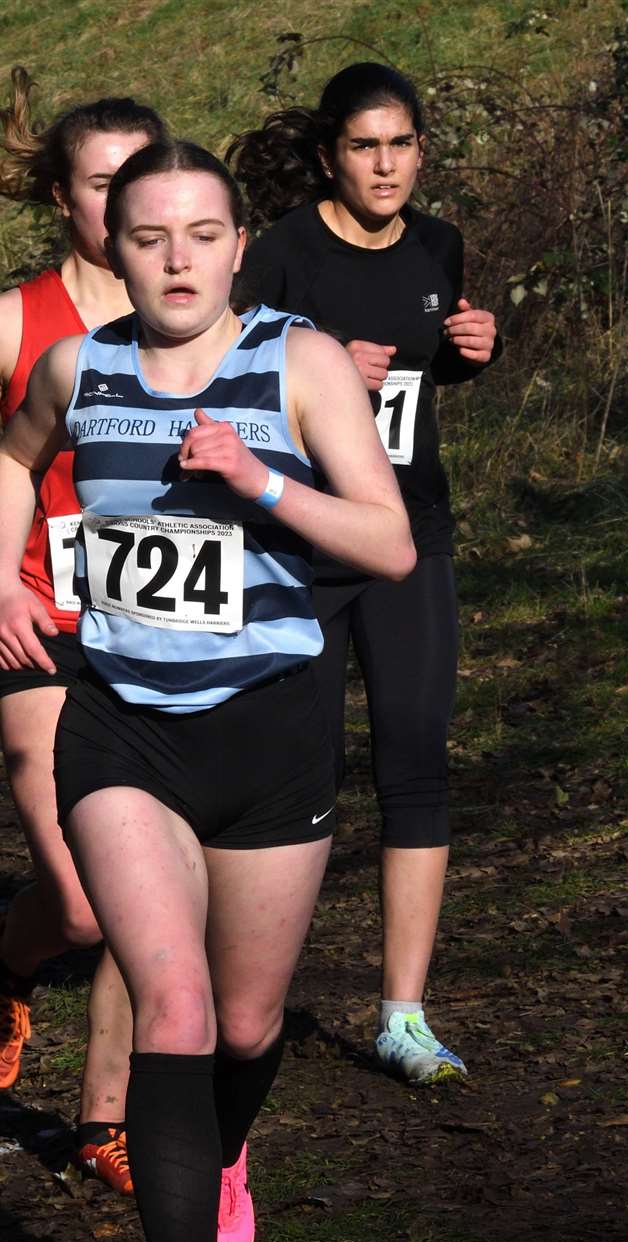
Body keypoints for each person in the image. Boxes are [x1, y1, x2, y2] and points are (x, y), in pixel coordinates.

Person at [0, 140, 416, 1242]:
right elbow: (14, 457)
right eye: (149, 236)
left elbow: (386, 542)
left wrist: (256, 478)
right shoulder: (79, 366)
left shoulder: (299, 361)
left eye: (201, 235)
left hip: (272, 733)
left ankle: (223, 1157)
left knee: (243, 1025)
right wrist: (2, 577)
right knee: (169, 1004)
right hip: (123, 731)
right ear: (112, 248)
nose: (176, 258)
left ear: (239, 245)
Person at [0, 69, 167, 1194]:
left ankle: (105, 1122)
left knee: (139, 892)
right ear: (64, 200)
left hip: (155, 622)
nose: (123, 208)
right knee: (75, 898)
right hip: (39, 611)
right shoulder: (11, 322)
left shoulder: (196, 314)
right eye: (101, 186)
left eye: (140, 182)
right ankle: (4, 959)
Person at [228, 63, 500, 1086]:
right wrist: (317, 370)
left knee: (416, 758)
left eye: (400, 144)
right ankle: (240, 993)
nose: (384, 164)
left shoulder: (438, 245)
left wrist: (476, 348)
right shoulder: (286, 253)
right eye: (363, 146)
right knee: (288, 773)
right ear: (330, 155)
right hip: (298, 542)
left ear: (421, 149)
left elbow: (430, 366)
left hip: (409, 533)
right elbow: (223, 371)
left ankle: (403, 1014)